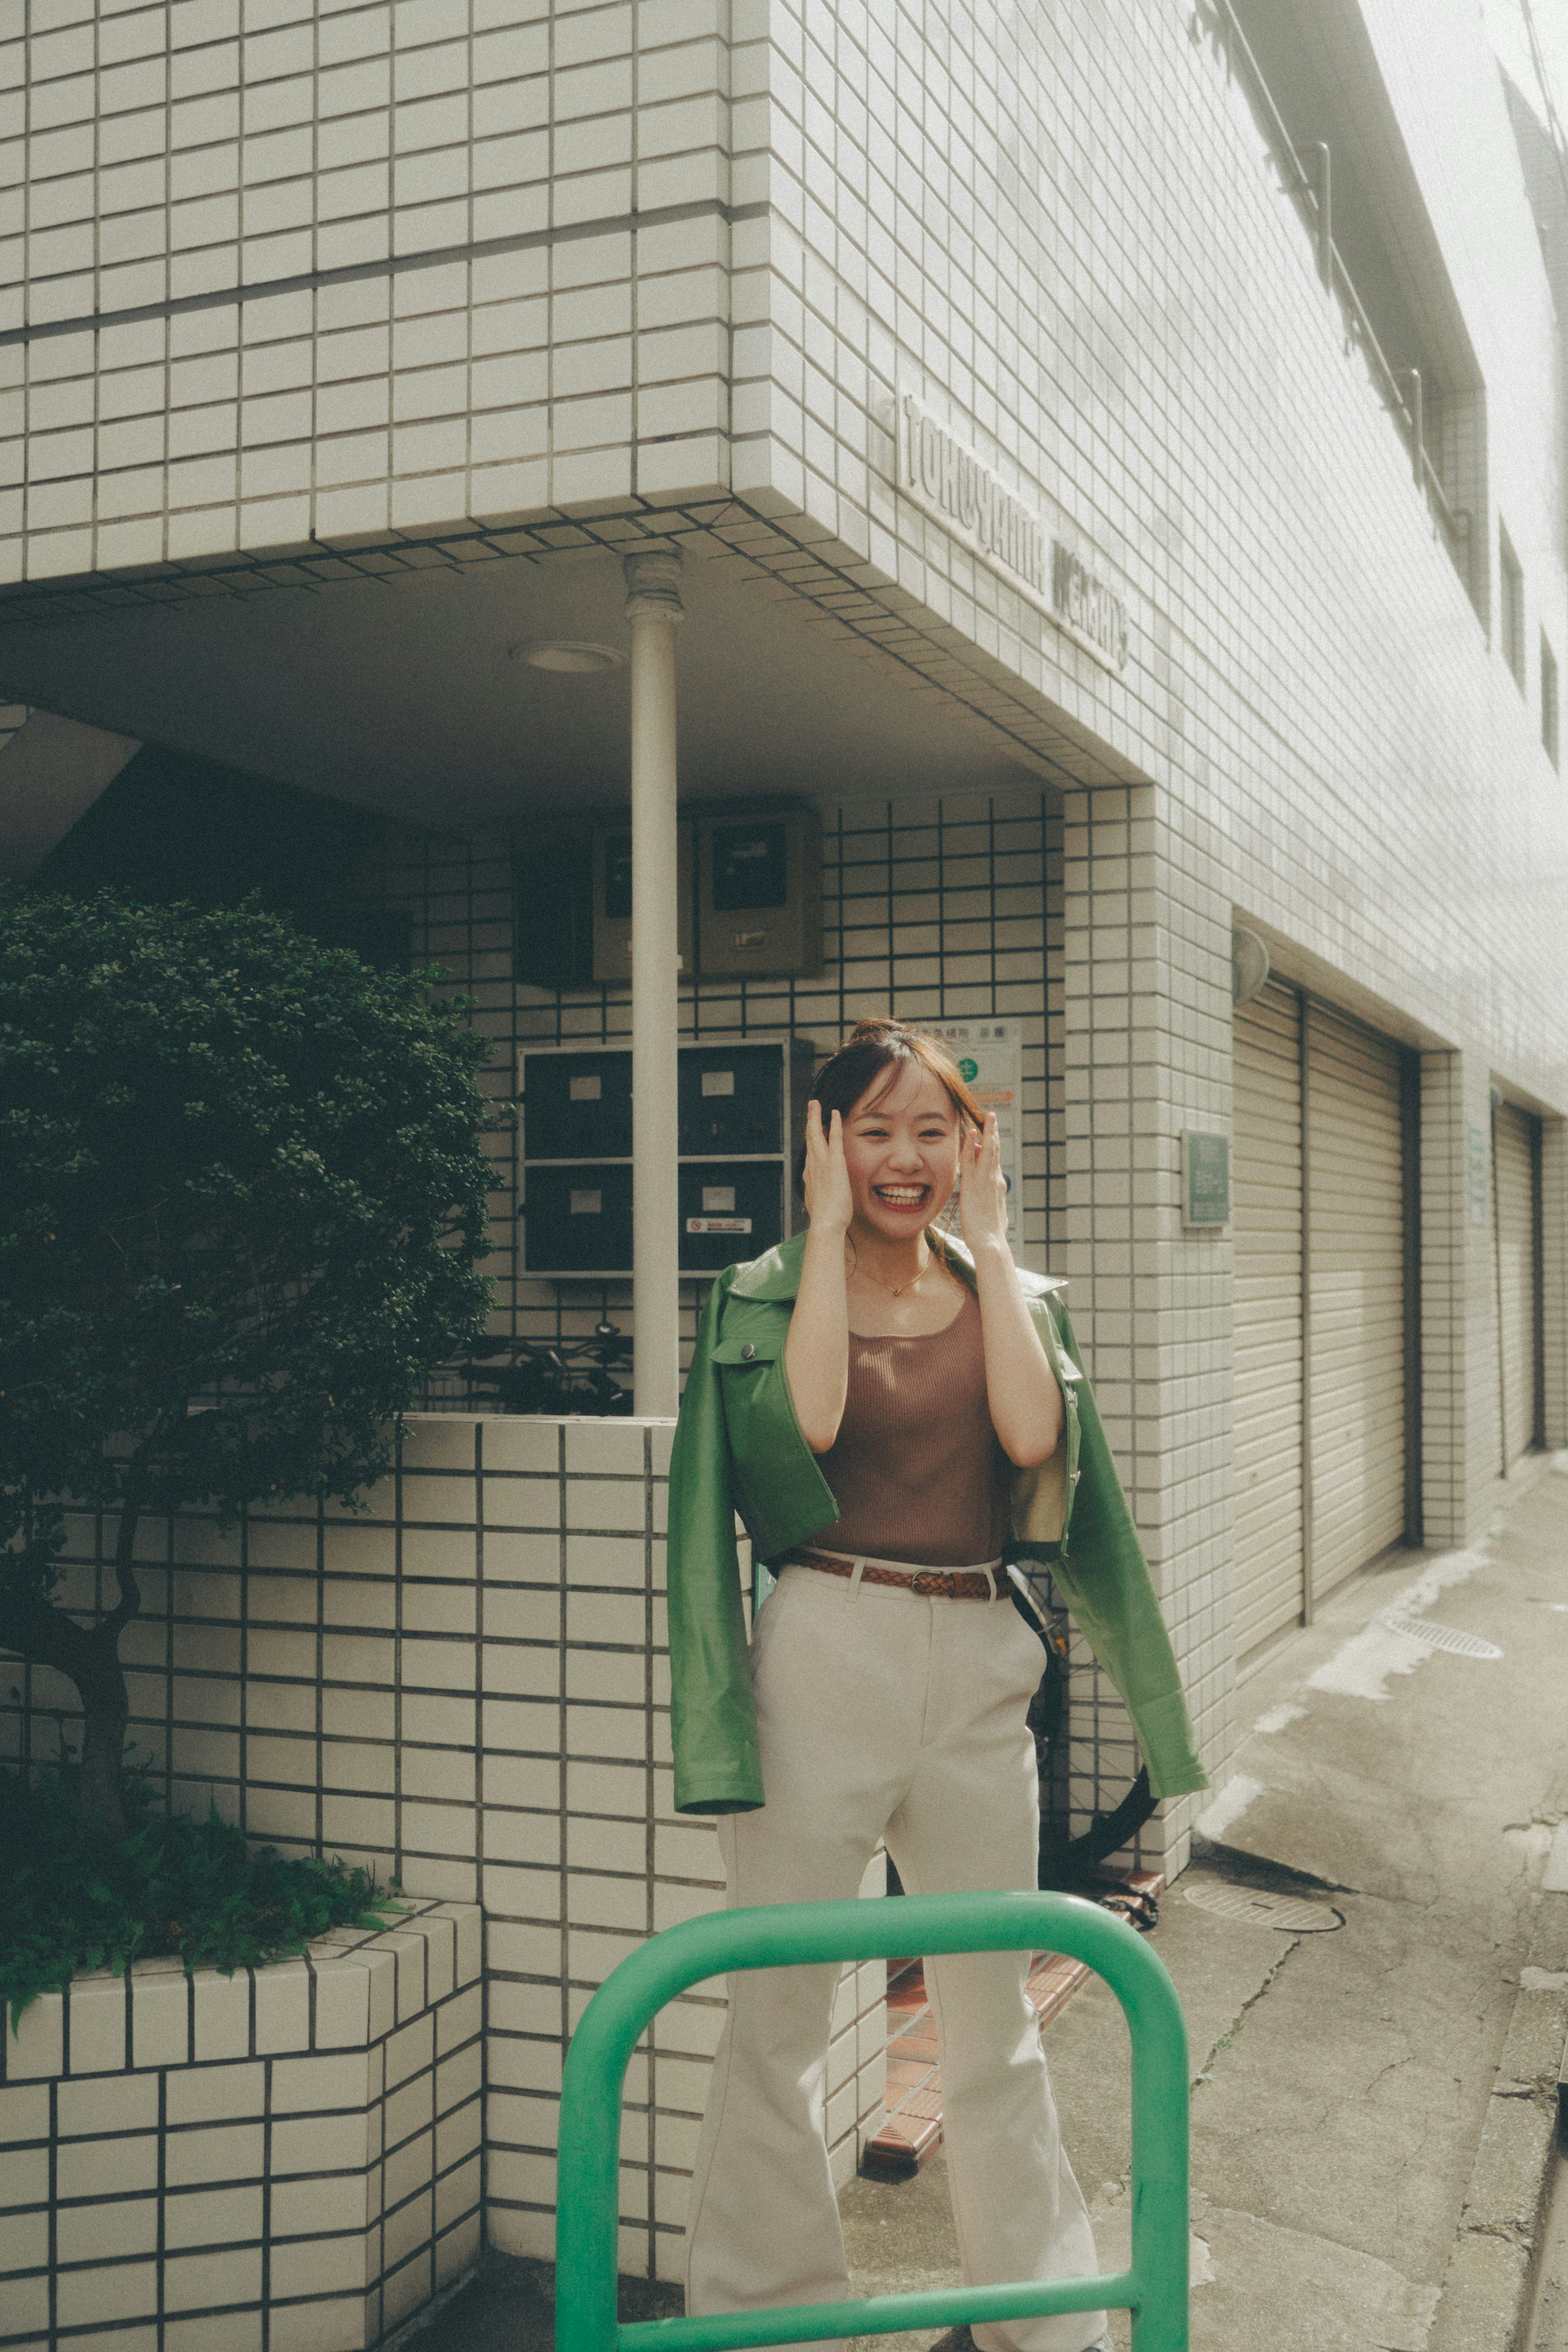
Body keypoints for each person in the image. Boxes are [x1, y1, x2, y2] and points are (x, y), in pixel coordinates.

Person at [666, 1019, 1207, 2352]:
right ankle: (763, 2316)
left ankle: (1042, 2323)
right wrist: (821, 1230)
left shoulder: (1009, 1292)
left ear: (972, 1143)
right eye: (873, 1130)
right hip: (823, 1646)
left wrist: (997, 1239)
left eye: (931, 1130)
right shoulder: (759, 1294)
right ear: (828, 1141)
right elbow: (806, 1431)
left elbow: (1032, 1438)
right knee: (777, 2012)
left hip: (976, 1655)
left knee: (991, 2015)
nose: (902, 1158)